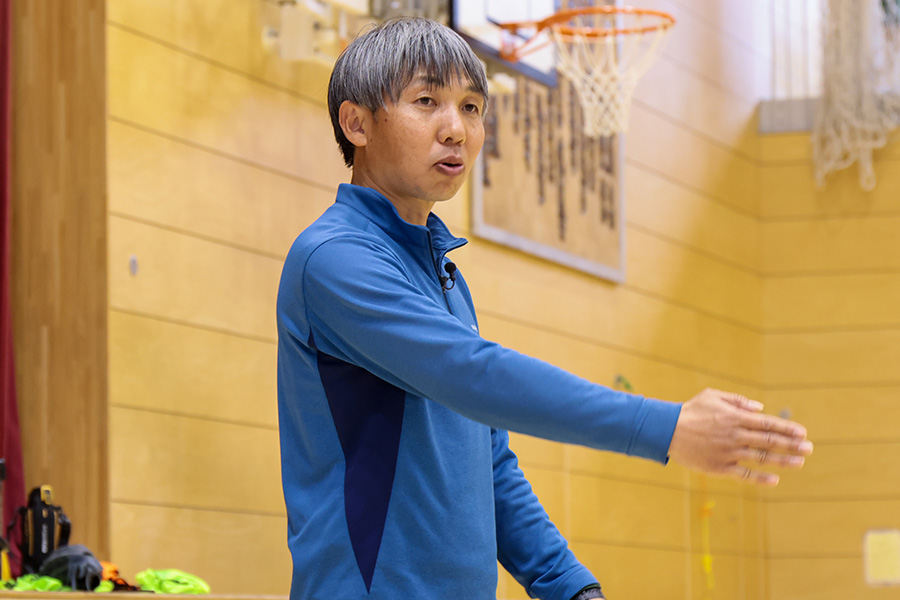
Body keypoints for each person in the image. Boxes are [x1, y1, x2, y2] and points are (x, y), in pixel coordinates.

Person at [275, 17, 813, 600]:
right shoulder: (334, 259)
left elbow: (490, 459)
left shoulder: (443, 273)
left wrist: (567, 585)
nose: (455, 129)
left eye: (473, 107)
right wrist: (664, 427)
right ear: (357, 123)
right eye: (427, 101)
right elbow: (473, 374)